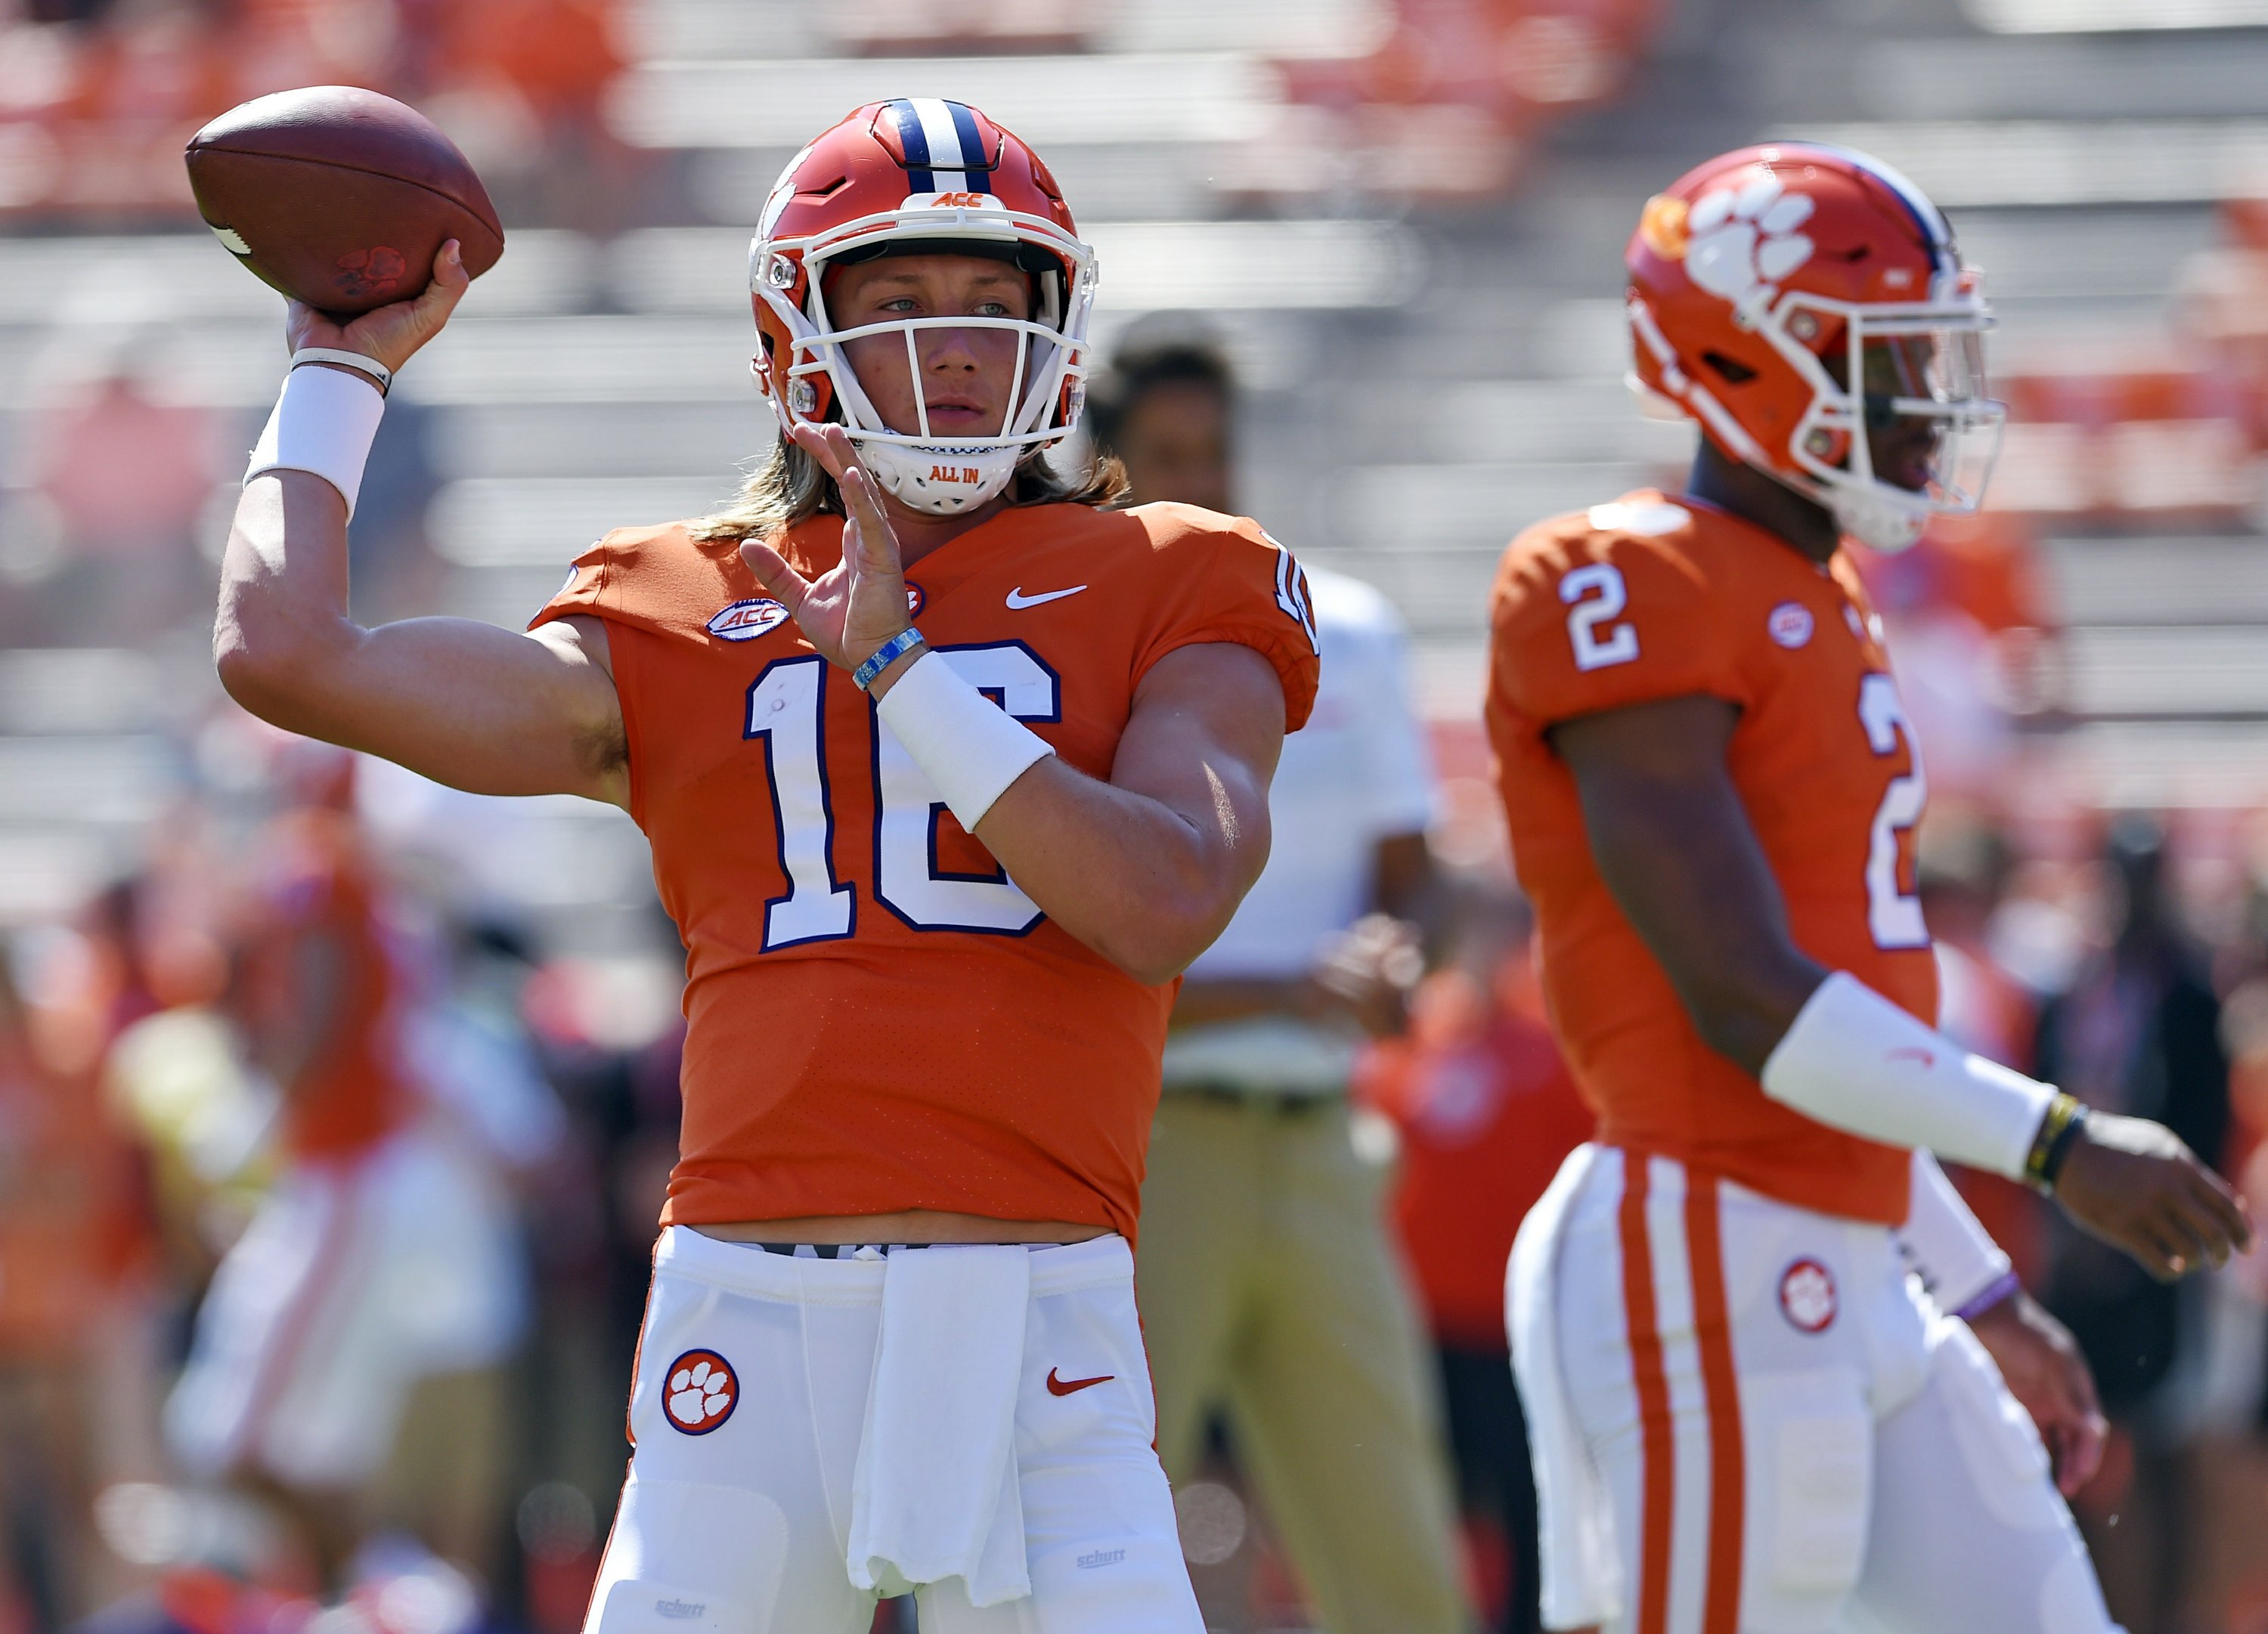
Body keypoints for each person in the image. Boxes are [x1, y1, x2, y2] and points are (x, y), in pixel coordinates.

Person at [211, 97, 1319, 1634]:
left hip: (1042, 1314)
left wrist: (904, 674)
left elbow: (1162, 899)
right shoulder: (682, 601)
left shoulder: (1182, 571)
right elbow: (288, 653)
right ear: (796, 335)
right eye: (902, 304)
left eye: (997, 306)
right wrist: (335, 371)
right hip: (746, 1312)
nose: (956, 349)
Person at [1489, 143, 2254, 1634]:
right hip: (1697, 1244)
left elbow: (1840, 1029)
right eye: (1880, 364)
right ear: (1733, 353)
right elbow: (1741, 995)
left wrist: (1969, 1285)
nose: (1923, 406)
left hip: (1848, 1243)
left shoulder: (1822, 600)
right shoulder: (1625, 572)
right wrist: (2058, 1142)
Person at [1086, 336, 1470, 1634]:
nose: (1198, 483)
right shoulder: (1071, 647)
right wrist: (1291, 987)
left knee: (1397, 1557)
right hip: (1139, 1149)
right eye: (1167, 458)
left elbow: (1421, 877)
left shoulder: (1344, 630)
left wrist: (1393, 957)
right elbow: (1073, 953)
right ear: (1104, 467)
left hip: (1321, 1143)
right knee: (1077, 1536)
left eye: (1215, 454)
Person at [1356, 894, 1594, 1634]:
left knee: (1529, 1507)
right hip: (1422, 1323)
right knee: (1424, 1502)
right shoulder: (1420, 1039)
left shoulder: (1555, 1048)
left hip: (1516, 1327)